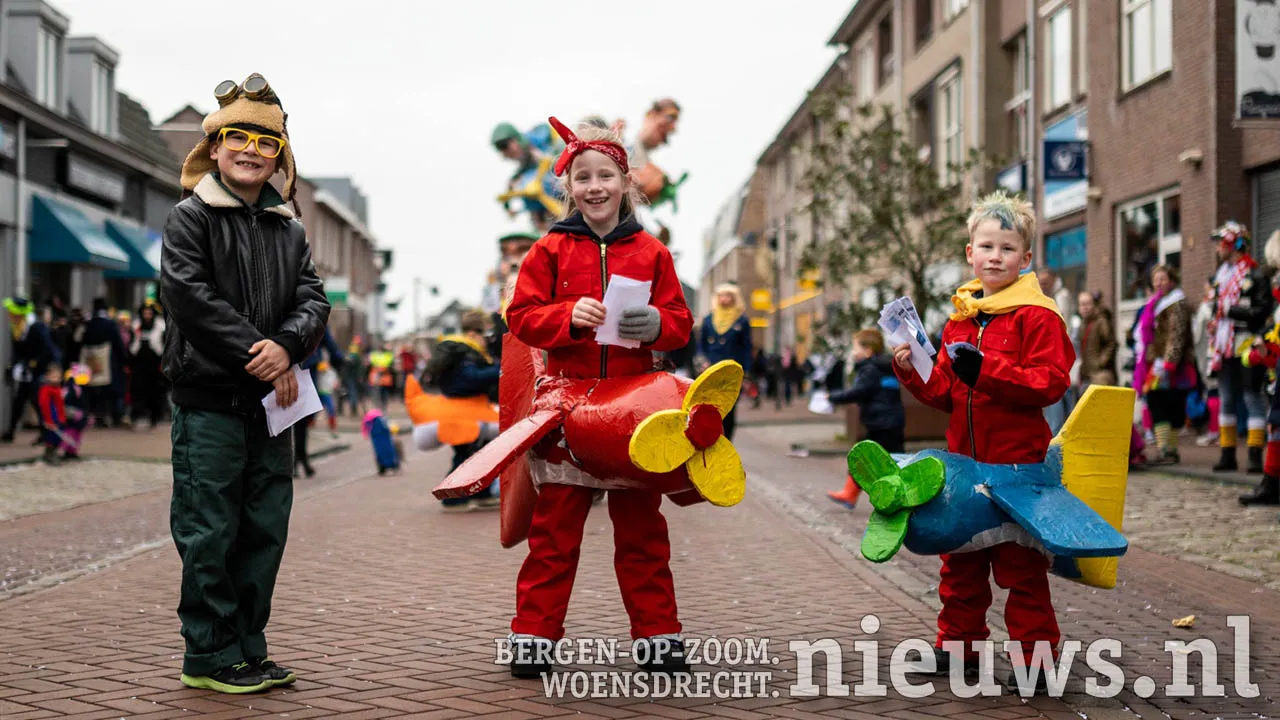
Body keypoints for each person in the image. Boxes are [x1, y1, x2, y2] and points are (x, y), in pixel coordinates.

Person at [503, 117, 694, 678]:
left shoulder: (653, 252)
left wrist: (657, 324)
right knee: (553, 534)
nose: (594, 187)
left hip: (635, 410)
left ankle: (658, 637)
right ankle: (533, 636)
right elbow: (521, 318)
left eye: (605, 175)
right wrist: (566, 317)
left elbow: (681, 324)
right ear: (568, 186)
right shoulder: (549, 249)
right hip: (567, 409)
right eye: (582, 177)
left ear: (625, 181)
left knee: (643, 532)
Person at [162, 73, 329, 694]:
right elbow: (190, 298)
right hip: (209, 403)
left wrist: (287, 346)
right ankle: (208, 654)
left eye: (265, 143)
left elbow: (313, 301)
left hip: (272, 407)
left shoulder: (291, 228)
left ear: (280, 157)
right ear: (214, 147)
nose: (251, 152)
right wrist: (265, 356)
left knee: (264, 527)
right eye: (238, 138)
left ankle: (247, 647)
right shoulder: (189, 218)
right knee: (209, 529)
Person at [892, 191, 1074, 694]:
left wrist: (986, 371)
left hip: (1018, 468)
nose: (996, 257)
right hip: (965, 466)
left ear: (1025, 257)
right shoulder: (961, 317)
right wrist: (909, 369)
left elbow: (1050, 382)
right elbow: (944, 392)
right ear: (970, 252)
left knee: (1021, 569)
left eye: (1007, 248)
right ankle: (959, 651)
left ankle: (1037, 664)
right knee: (961, 565)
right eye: (987, 247)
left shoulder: (1038, 315)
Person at [1207, 221, 1274, 473]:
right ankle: (1227, 455)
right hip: (1224, 346)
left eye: (1220, 243)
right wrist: (1214, 321)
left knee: (1251, 397)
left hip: (1246, 344)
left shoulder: (1255, 274)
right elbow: (1216, 308)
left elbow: (1262, 311)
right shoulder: (1221, 275)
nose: (1217, 249)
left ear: (1232, 244)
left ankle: (1255, 455)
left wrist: (1230, 311)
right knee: (1226, 398)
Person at [426, 309, 502, 512]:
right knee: (465, 455)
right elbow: (470, 378)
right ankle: (452, 498)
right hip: (462, 413)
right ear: (473, 333)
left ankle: (481, 493)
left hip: (470, 411)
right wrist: (498, 369)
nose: (488, 340)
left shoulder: (467, 350)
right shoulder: (464, 351)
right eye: (486, 335)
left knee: (478, 452)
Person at [826, 328, 905, 509]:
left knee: (869, 457)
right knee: (890, 458)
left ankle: (902, 499)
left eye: (855, 348)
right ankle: (850, 494)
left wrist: (833, 397)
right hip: (889, 422)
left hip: (881, 423)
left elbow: (859, 391)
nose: (853, 352)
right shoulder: (885, 367)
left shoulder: (871, 369)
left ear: (868, 350)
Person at [1133, 265, 1197, 464]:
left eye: (1162, 279)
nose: (1158, 283)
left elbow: (1177, 335)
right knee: (1156, 401)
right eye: (1155, 279)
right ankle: (1165, 449)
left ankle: (1170, 450)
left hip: (1171, 365)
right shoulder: (1155, 303)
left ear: (1172, 280)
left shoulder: (1177, 303)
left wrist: (1168, 362)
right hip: (1155, 361)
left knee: (1171, 404)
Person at [697, 283, 753, 439]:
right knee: (710, 407)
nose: (724, 299)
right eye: (721, 295)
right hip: (711, 370)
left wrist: (746, 372)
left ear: (735, 298)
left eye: (728, 295)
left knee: (729, 408)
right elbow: (701, 345)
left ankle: (726, 440)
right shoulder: (708, 320)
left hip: (732, 371)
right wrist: (702, 361)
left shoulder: (742, 321)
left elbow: (746, 348)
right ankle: (711, 439)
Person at [4, 297, 60, 442]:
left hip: (39, 370)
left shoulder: (36, 327)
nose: (9, 315)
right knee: (20, 401)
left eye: (11, 312)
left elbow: (48, 349)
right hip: (27, 371)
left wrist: (34, 362)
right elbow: (18, 351)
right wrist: (12, 365)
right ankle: (11, 432)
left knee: (37, 401)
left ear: (19, 313)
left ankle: (45, 432)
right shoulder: (17, 328)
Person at [130, 301, 167, 430]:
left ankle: (154, 416)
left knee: (155, 392)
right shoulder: (136, 326)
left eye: (149, 313)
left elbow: (164, 345)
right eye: (145, 313)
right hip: (139, 364)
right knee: (138, 390)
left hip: (155, 364)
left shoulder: (161, 327)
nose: (147, 315)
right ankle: (136, 416)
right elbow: (131, 346)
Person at [1075, 291, 1117, 388]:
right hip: (1087, 374)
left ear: (1094, 305)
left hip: (1100, 375)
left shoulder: (1101, 321)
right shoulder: (1083, 324)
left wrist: (1101, 362)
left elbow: (1111, 343)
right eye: (1082, 305)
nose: (1085, 308)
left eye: (1087, 304)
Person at [36, 362, 67, 464]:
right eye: (53, 377)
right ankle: (49, 454)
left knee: (58, 437)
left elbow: (61, 405)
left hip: (59, 418)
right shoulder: (46, 390)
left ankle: (53, 453)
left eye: (58, 377)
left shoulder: (59, 389)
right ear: (47, 377)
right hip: (51, 418)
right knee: (51, 437)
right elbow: (44, 405)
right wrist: (48, 420)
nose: (55, 379)